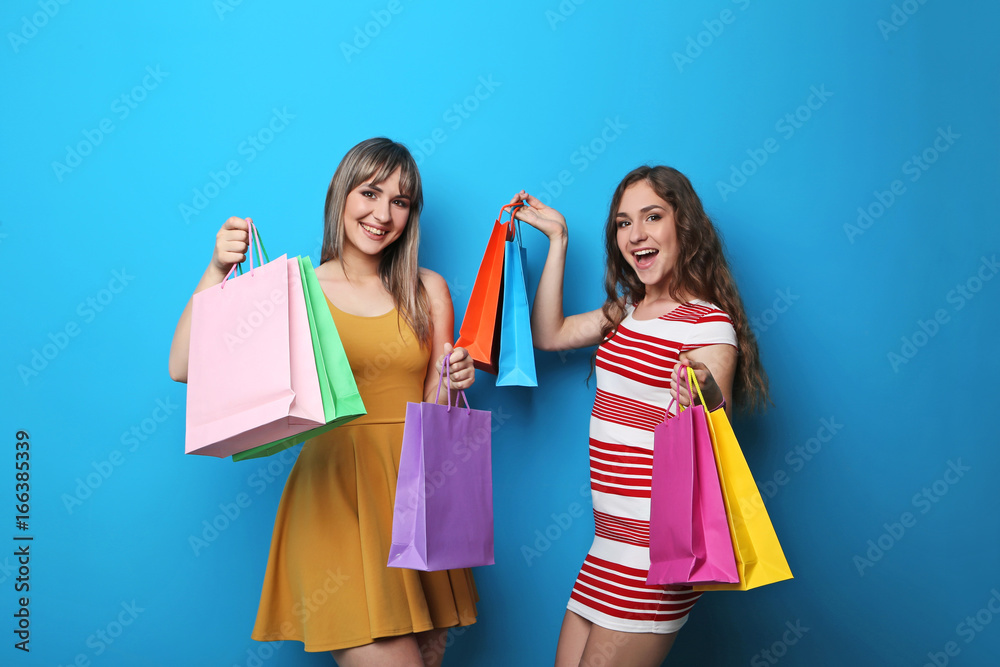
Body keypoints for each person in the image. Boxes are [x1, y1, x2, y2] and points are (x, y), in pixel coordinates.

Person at [168, 138, 478, 666]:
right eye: (370, 193)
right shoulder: (298, 286)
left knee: (428, 658)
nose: (382, 214)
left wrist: (455, 378)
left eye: (400, 202)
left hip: (416, 503)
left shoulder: (429, 290)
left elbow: (435, 407)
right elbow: (183, 366)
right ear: (341, 195)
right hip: (335, 501)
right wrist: (218, 270)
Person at [510, 165, 769, 666]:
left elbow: (720, 414)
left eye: (653, 217)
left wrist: (704, 388)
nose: (637, 234)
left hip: (655, 553)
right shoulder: (626, 311)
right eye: (624, 223)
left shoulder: (708, 322)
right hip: (607, 545)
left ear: (684, 227)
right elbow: (549, 334)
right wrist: (559, 239)